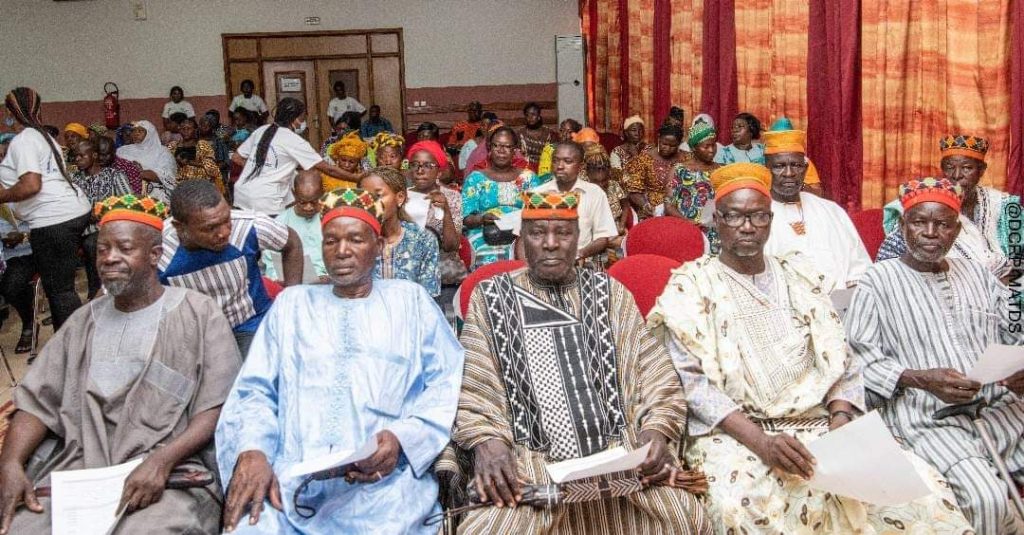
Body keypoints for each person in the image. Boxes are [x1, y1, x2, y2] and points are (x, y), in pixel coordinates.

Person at [646, 164, 973, 533]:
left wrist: (841, 423)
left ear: (770, 220)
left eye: (758, 216)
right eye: (735, 216)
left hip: (822, 425)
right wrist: (763, 443)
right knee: (746, 508)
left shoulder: (798, 275)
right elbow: (694, 386)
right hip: (737, 434)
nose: (748, 227)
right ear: (717, 221)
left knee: (922, 494)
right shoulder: (689, 287)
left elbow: (841, 357)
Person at [442, 190, 712, 534]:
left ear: (578, 238)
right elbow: (476, 386)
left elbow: (654, 372)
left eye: (563, 233)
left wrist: (655, 432)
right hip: (530, 466)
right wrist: (488, 443)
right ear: (522, 240)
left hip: (622, 460)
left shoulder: (610, 292)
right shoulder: (491, 295)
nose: (550, 244)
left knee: (684, 518)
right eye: (538, 233)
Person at [215, 188, 464, 533]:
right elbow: (255, 391)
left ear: (377, 246)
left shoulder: (411, 302)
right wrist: (254, 450)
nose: (342, 251)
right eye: (331, 241)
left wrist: (403, 438)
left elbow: (445, 384)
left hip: (383, 484)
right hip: (290, 481)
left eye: (355, 240)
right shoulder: (292, 306)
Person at [0, 195, 241, 534]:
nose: (110, 258)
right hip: (78, 471)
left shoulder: (199, 313)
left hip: (167, 470)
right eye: (102, 249)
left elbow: (217, 405)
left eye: (124, 248)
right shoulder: (82, 322)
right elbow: (36, 403)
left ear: (155, 255)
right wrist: (10, 464)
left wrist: (161, 461)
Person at [846, 177, 1024, 534]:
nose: (930, 233)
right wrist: (920, 379)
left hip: (1000, 407)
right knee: (986, 499)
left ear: (956, 231)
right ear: (903, 226)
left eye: (942, 224)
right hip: (928, 416)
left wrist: (1018, 366)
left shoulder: (977, 273)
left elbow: (1013, 330)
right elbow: (858, 361)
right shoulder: (876, 281)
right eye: (919, 222)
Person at [159, 180, 303, 357]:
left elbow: (291, 242)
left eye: (226, 220)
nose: (224, 232)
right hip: (196, 335)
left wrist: (291, 297)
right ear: (180, 227)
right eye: (210, 228)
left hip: (248, 323)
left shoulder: (248, 226)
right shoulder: (159, 250)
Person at [0, 87, 92, 331]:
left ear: (9, 112)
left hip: (53, 218)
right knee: (61, 288)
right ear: (38, 109)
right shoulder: (43, 136)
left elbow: (31, 185)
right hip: (71, 211)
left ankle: (74, 346)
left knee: (59, 291)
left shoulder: (24, 140)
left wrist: (3, 196)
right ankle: (70, 341)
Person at [877, 134, 1019, 280]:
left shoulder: (1003, 205)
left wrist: (1005, 284)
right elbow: (888, 265)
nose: (957, 175)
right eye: (949, 167)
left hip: (1008, 282)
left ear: (981, 170)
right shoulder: (921, 205)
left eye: (967, 168)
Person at [762, 127, 870, 290]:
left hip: (839, 301)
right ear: (766, 169)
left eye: (796, 165)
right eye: (779, 166)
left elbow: (859, 270)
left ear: (805, 170)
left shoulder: (831, 211)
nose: (789, 173)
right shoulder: (757, 216)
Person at [232, 98, 357, 215]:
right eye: (302, 118)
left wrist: (262, 168)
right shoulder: (293, 140)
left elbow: (236, 157)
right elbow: (328, 169)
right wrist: (356, 177)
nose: (303, 122)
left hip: (241, 194)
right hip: (265, 200)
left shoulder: (262, 130)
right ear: (294, 119)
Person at [517, 142, 617, 268]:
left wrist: (579, 254)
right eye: (556, 161)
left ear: (580, 166)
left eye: (567, 161)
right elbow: (522, 239)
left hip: (579, 264)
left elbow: (602, 238)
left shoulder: (594, 193)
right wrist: (526, 268)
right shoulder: (536, 194)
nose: (560, 166)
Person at [462, 126, 544, 268]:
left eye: (507, 146)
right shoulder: (475, 178)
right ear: (489, 148)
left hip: (522, 233)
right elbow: (466, 218)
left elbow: (540, 213)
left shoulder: (529, 178)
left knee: (530, 253)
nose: (501, 150)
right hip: (485, 233)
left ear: (514, 150)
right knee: (487, 258)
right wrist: (481, 219)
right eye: (497, 145)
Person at [358, 167, 440, 297]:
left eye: (378, 195)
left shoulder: (423, 239)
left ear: (400, 197)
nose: (371, 203)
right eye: (365, 197)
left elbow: (428, 296)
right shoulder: (355, 241)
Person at [72, 139, 133, 298]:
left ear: (94, 155)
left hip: (108, 228)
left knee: (92, 243)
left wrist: (103, 212)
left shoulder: (114, 176)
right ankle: (66, 297)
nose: (77, 159)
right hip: (79, 228)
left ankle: (97, 292)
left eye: (81, 156)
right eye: (75, 156)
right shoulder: (74, 179)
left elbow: (129, 203)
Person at [406, 140, 465, 292]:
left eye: (427, 165)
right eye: (415, 165)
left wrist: (446, 211)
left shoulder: (452, 197)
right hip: (409, 270)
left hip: (444, 271)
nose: (420, 170)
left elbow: (451, 247)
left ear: (439, 172)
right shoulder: (402, 197)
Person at [665, 121, 721, 251]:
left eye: (713, 145)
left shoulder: (721, 170)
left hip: (715, 229)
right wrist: (688, 222)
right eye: (706, 146)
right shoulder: (678, 170)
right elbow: (668, 205)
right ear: (694, 148)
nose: (711, 150)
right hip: (685, 228)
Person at [262, 170, 327, 282]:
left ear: (323, 193)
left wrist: (329, 277)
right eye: (302, 202)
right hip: (292, 282)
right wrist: (279, 279)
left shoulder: (332, 219)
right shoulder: (281, 222)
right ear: (294, 194)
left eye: (314, 202)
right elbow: (271, 261)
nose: (308, 207)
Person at [622, 123, 688, 219]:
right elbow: (633, 190)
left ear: (679, 144)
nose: (667, 148)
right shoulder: (644, 159)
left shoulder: (686, 158)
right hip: (653, 211)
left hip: (681, 210)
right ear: (658, 138)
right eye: (664, 144)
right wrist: (645, 205)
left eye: (673, 146)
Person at [0, 206, 35, 353]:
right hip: (3, 256)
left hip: (26, 252)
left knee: (11, 287)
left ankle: (29, 322)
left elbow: (46, 229)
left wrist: (24, 236)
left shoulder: (26, 195)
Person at [116, 120, 178, 202]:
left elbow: (168, 176)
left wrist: (137, 172)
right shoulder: (122, 150)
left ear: (150, 133)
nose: (136, 134)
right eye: (134, 131)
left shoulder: (162, 151)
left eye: (140, 131)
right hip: (125, 190)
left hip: (154, 192)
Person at [583, 144, 629, 251]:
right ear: (587, 175)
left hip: (615, 229)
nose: (600, 185)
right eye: (595, 182)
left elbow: (625, 207)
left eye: (604, 181)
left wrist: (622, 225)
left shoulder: (614, 186)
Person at [766, 117, 823, 195]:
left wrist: (801, 186)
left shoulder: (804, 161)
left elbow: (818, 193)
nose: (788, 173)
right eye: (779, 166)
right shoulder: (762, 161)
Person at [167, 117, 225, 194]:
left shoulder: (202, 145)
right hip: (178, 185)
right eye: (183, 129)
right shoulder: (173, 146)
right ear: (179, 130)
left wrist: (189, 162)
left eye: (189, 129)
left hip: (199, 184)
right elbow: (167, 165)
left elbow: (211, 167)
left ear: (195, 130)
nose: (186, 131)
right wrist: (177, 162)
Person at [517, 102, 557, 171]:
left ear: (539, 116)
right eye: (527, 115)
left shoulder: (549, 133)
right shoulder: (520, 133)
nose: (530, 118)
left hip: (546, 169)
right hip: (526, 170)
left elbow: (554, 154)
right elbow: (518, 155)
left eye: (533, 114)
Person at [198, 111, 232, 194]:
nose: (203, 128)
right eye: (201, 125)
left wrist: (211, 170)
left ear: (212, 128)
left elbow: (225, 162)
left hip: (216, 174)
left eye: (206, 126)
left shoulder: (218, 141)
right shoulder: (196, 140)